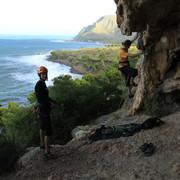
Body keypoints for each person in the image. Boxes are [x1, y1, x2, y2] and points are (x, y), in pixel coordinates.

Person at [35, 66, 57, 159]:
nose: (44, 75)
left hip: (44, 109)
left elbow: (46, 97)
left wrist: (52, 101)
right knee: (49, 130)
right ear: (40, 75)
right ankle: (47, 152)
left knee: (43, 127)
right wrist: (50, 105)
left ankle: (42, 144)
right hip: (43, 110)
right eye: (43, 74)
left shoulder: (42, 84)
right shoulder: (39, 85)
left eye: (45, 74)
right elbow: (41, 100)